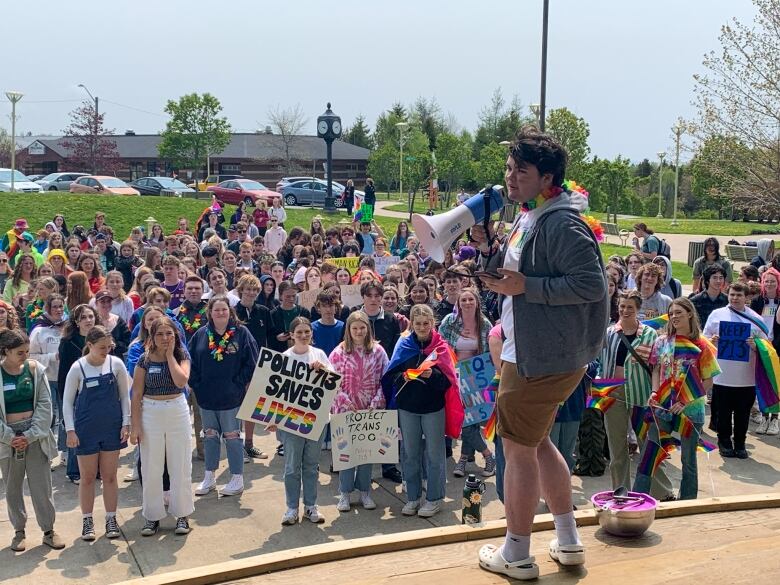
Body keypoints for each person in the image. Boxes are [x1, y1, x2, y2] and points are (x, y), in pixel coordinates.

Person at [475, 128, 607, 579]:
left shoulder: (562, 222)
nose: (510, 178)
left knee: (516, 451)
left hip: (539, 357)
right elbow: (519, 275)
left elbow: (592, 286)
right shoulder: (534, 214)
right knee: (538, 442)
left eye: (521, 171)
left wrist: (527, 287)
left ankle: (516, 552)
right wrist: (493, 262)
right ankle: (568, 540)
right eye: (509, 168)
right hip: (535, 350)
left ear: (547, 177)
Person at [634, 298, 720, 500]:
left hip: (691, 411)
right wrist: (655, 392)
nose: (674, 317)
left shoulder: (701, 345)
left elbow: (708, 380)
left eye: (679, 313)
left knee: (688, 460)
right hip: (662, 407)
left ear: (690, 314)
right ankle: (638, 499)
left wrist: (685, 402)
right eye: (671, 313)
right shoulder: (662, 341)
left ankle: (687, 502)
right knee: (649, 454)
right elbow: (656, 369)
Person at [382, 304, 461, 518]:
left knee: (435, 454)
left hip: (433, 408)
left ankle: (434, 498)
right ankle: (413, 497)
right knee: (409, 453)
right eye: (418, 324)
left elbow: (449, 383)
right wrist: (404, 377)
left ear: (432, 324)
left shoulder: (441, 348)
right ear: (412, 324)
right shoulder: (404, 345)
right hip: (408, 408)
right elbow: (392, 377)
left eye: (426, 323)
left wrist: (431, 376)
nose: (423, 327)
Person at [598, 290, 675, 499]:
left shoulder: (649, 334)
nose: (625, 310)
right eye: (622, 306)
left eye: (630, 307)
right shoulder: (609, 332)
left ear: (638, 309)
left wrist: (656, 392)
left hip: (642, 394)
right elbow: (601, 361)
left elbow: (658, 365)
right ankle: (621, 492)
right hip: (612, 393)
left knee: (648, 446)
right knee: (617, 449)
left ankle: (663, 492)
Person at [63, 326, 131, 541]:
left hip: (111, 427)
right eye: (101, 348)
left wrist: (126, 424)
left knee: (110, 476)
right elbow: (67, 402)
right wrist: (70, 430)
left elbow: (124, 397)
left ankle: (111, 519)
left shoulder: (116, 364)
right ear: (89, 345)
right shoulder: (78, 368)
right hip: (85, 429)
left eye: (109, 347)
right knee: (88, 478)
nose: (106, 351)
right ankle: (87, 521)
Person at [0, 329, 65, 552]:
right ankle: (19, 532)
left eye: (27, 351)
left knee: (41, 486)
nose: (25, 356)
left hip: (34, 436)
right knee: (12, 488)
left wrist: (30, 434)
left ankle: (48, 530)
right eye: (20, 352)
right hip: (8, 440)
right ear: (6, 351)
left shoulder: (35, 370)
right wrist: (10, 437)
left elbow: (46, 405)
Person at [189, 296, 259, 497]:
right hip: (207, 398)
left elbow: (251, 362)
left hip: (231, 397)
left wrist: (238, 383)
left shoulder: (242, 333)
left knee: (232, 437)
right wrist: (197, 384)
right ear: (210, 312)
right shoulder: (201, 335)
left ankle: (237, 478)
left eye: (224, 310)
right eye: (216, 310)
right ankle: (209, 477)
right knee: (209, 436)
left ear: (230, 312)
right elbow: (190, 361)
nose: (220, 313)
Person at [130, 317, 193, 536]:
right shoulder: (143, 360)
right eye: (160, 334)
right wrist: (135, 425)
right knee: (151, 467)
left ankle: (182, 514)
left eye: (169, 334)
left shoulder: (182, 356)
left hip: (176, 409)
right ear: (152, 337)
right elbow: (136, 393)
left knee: (180, 464)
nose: (165, 338)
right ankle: (152, 516)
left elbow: (181, 381)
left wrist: (169, 357)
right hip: (151, 412)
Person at [329, 311, 388, 512]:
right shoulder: (338, 352)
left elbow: (385, 379)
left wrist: (377, 400)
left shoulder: (378, 351)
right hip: (346, 410)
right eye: (354, 328)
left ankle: (365, 492)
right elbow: (332, 382)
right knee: (346, 454)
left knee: (365, 454)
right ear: (348, 329)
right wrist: (345, 402)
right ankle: (344, 494)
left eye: (362, 327)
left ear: (368, 328)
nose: (359, 331)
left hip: (370, 410)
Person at [275, 316, 331, 525]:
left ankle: (310, 506)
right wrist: (274, 418)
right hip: (291, 421)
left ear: (311, 334)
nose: (303, 336)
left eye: (307, 332)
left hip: (316, 420)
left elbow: (333, 383)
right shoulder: (285, 358)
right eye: (299, 332)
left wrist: (323, 370)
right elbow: (276, 392)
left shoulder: (320, 355)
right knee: (291, 467)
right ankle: (291, 508)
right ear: (291, 335)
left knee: (311, 465)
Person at [703, 282, 768, 458]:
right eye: (732, 294)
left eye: (739, 295)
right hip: (722, 376)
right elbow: (703, 338)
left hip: (746, 378)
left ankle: (740, 443)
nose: (735, 298)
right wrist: (712, 340)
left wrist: (756, 345)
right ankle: (724, 441)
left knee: (743, 413)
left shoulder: (757, 319)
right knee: (723, 412)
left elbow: (767, 346)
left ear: (746, 298)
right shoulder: (717, 315)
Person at [439, 287, 495, 477]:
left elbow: (489, 354)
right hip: (455, 377)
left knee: (470, 420)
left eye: (471, 299)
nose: (467, 303)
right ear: (458, 304)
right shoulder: (449, 322)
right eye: (463, 300)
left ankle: (464, 460)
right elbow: (441, 346)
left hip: (477, 379)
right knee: (464, 419)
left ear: (477, 302)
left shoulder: (485, 325)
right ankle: (487, 455)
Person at [233, 275, 271, 461]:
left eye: (255, 290)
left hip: (259, 366)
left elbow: (270, 338)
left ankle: (249, 444)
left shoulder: (263, 311)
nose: (251, 293)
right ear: (241, 290)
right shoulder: (233, 312)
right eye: (248, 289)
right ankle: (237, 445)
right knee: (236, 407)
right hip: (237, 367)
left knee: (252, 407)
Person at [28, 294, 68, 463]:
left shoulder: (69, 326)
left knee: (66, 416)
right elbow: (31, 356)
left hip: (65, 377)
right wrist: (53, 357)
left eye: (61, 306)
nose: (58, 310)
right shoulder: (39, 330)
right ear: (48, 309)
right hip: (46, 378)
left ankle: (66, 452)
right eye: (55, 307)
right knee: (49, 417)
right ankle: (49, 453)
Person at [750, 267, 780, 435]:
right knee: (761, 381)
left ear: (778, 283)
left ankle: (775, 418)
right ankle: (764, 416)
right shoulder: (757, 301)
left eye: (773, 281)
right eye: (766, 281)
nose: (769, 284)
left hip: (776, 346)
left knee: (775, 381)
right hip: (761, 345)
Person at [269, 281, 312, 352]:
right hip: (281, 352)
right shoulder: (273, 314)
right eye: (288, 296)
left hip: (302, 351)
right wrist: (277, 338)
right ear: (280, 296)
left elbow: (310, 332)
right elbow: (268, 336)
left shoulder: (304, 312)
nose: (291, 299)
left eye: (294, 296)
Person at [690, 265, 728, 330]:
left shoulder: (728, 301)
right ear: (707, 280)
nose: (718, 281)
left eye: (721, 278)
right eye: (715, 278)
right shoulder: (695, 300)